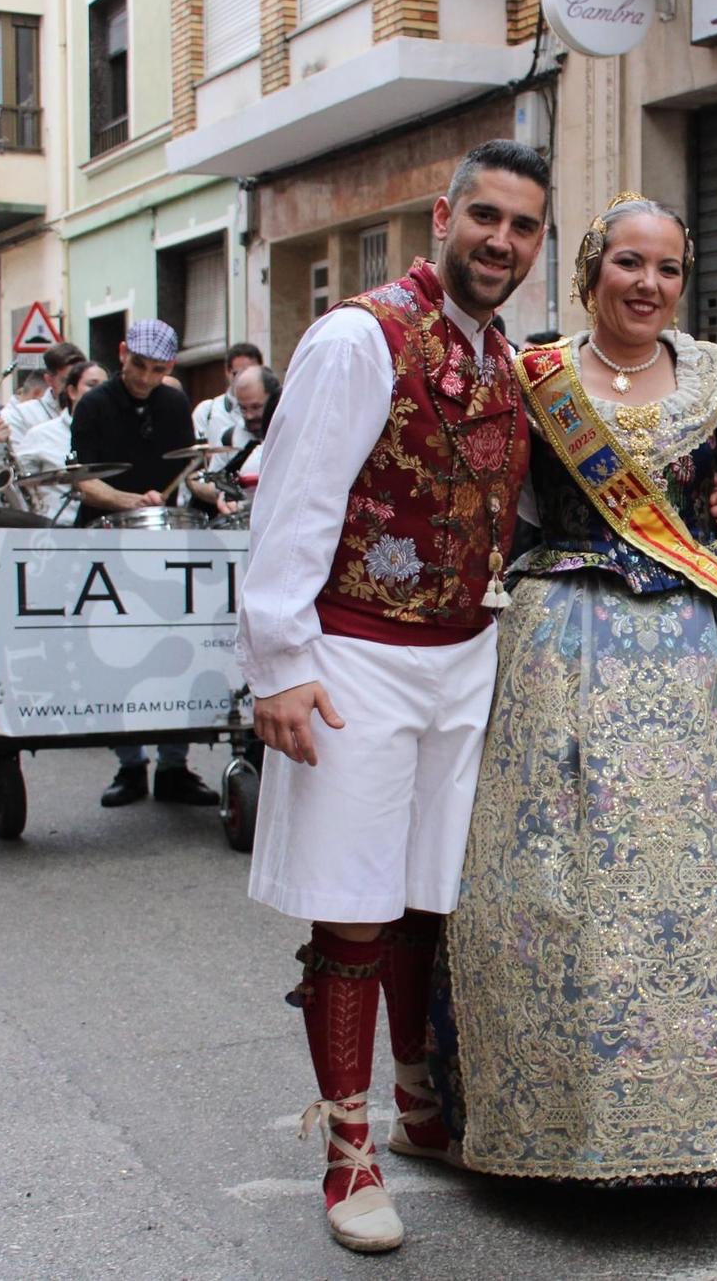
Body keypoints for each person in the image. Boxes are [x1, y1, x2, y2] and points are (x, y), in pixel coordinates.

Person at [445, 195, 717, 1188]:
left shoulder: (712, 376)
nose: (647, 285)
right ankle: (570, 1126)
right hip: (569, 639)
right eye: (627, 264)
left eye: (665, 268)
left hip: (710, 642)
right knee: (574, 881)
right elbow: (500, 507)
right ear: (588, 274)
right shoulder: (536, 376)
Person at [238, 139, 550, 1255]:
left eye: (522, 227)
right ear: (442, 215)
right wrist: (279, 664)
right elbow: (294, 503)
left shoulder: (507, 357)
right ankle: (347, 1148)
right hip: (356, 652)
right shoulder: (356, 334)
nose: (502, 242)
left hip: (463, 651)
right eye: (487, 218)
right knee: (354, 905)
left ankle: (417, 1105)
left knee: (427, 891)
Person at [69, 318, 222, 809]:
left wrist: (215, 494)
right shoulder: (93, 404)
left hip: (163, 537)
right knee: (112, 648)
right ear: (122, 354)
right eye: (139, 366)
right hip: (105, 535)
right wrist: (129, 500)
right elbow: (83, 480)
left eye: (158, 370)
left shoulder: (174, 402)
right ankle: (130, 764)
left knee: (177, 643)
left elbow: (188, 470)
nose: (145, 378)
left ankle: (174, 766)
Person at [16, 359, 104, 523]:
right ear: (72, 391)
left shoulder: (113, 434)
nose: (100, 392)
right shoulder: (41, 434)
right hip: (55, 532)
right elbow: (19, 488)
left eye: (105, 387)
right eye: (92, 385)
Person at [185, 364, 276, 516]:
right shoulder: (229, 438)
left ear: (274, 399)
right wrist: (223, 493)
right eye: (243, 408)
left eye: (256, 407)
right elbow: (213, 480)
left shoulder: (291, 434)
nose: (249, 416)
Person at [0, 342, 85, 472]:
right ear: (49, 380)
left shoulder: (96, 412)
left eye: (80, 381)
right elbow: (13, 472)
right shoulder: (19, 416)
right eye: (66, 381)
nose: (74, 388)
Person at [193, 342, 264, 445]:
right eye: (238, 374)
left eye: (252, 373)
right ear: (227, 372)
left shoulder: (271, 409)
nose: (245, 380)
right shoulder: (206, 411)